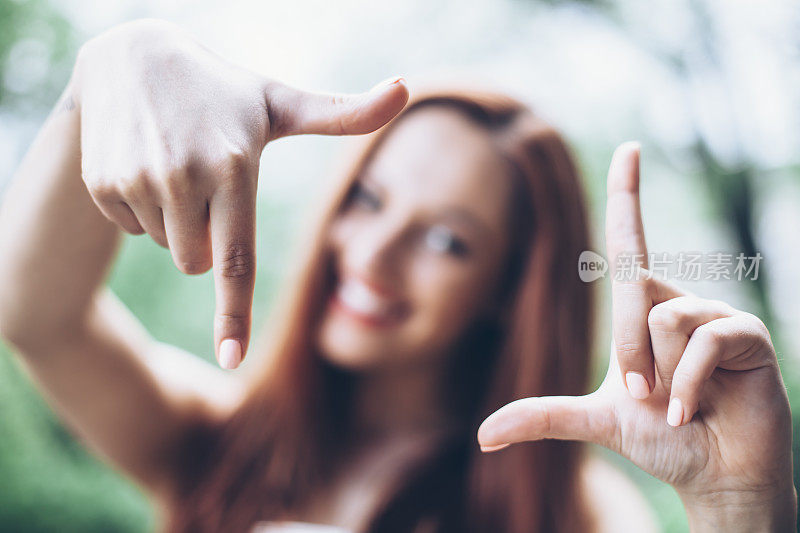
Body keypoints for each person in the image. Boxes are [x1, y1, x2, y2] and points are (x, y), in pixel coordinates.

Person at [0, 18, 795, 533]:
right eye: (369, 199)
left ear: (505, 293)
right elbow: (34, 314)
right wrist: (106, 73)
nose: (372, 254)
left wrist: (741, 505)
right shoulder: (213, 436)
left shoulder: (572, 513)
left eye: (447, 240)